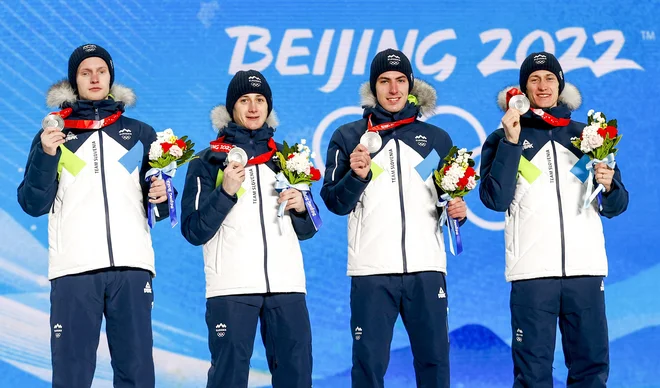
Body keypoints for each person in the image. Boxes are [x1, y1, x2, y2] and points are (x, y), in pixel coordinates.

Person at [17, 43, 170, 388]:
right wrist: (46, 153)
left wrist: (160, 197)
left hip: (132, 267)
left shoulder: (140, 134)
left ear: (111, 76)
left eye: (101, 71)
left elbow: (155, 205)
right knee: (72, 376)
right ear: (74, 80)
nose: (95, 78)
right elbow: (32, 203)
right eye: (85, 72)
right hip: (74, 270)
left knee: (137, 374)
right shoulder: (54, 135)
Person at [479, 51, 629, 387]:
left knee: (591, 370)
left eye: (549, 78)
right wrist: (511, 141)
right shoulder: (504, 138)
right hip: (532, 273)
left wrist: (609, 184)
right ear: (523, 89)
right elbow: (494, 199)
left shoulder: (588, 136)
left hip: (585, 270)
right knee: (532, 374)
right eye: (534, 79)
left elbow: (617, 204)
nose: (543, 85)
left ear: (560, 86)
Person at [320, 49, 466, 388]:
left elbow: (444, 196)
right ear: (374, 88)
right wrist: (356, 175)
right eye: (384, 81)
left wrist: (457, 211)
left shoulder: (435, 139)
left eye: (401, 80)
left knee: (434, 364)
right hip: (372, 271)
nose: (394, 89)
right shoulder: (349, 137)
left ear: (411, 85)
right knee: (368, 368)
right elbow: (334, 203)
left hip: (426, 269)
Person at [180, 70, 317, 388]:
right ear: (231, 108)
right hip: (232, 288)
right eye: (244, 100)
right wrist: (226, 192)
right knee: (227, 379)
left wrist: (300, 208)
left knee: (296, 378)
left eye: (260, 100)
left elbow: (308, 228)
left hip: (287, 286)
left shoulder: (286, 158)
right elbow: (193, 231)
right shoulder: (207, 161)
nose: (253, 107)